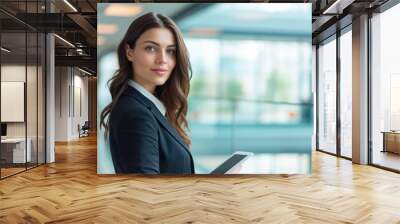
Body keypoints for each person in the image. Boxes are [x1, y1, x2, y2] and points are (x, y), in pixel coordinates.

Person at [100, 12, 194, 174]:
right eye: (151, 48)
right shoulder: (136, 114)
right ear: (130, 52)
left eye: (170, 51)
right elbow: (146, 193)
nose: (162, 59)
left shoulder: (150, 106)